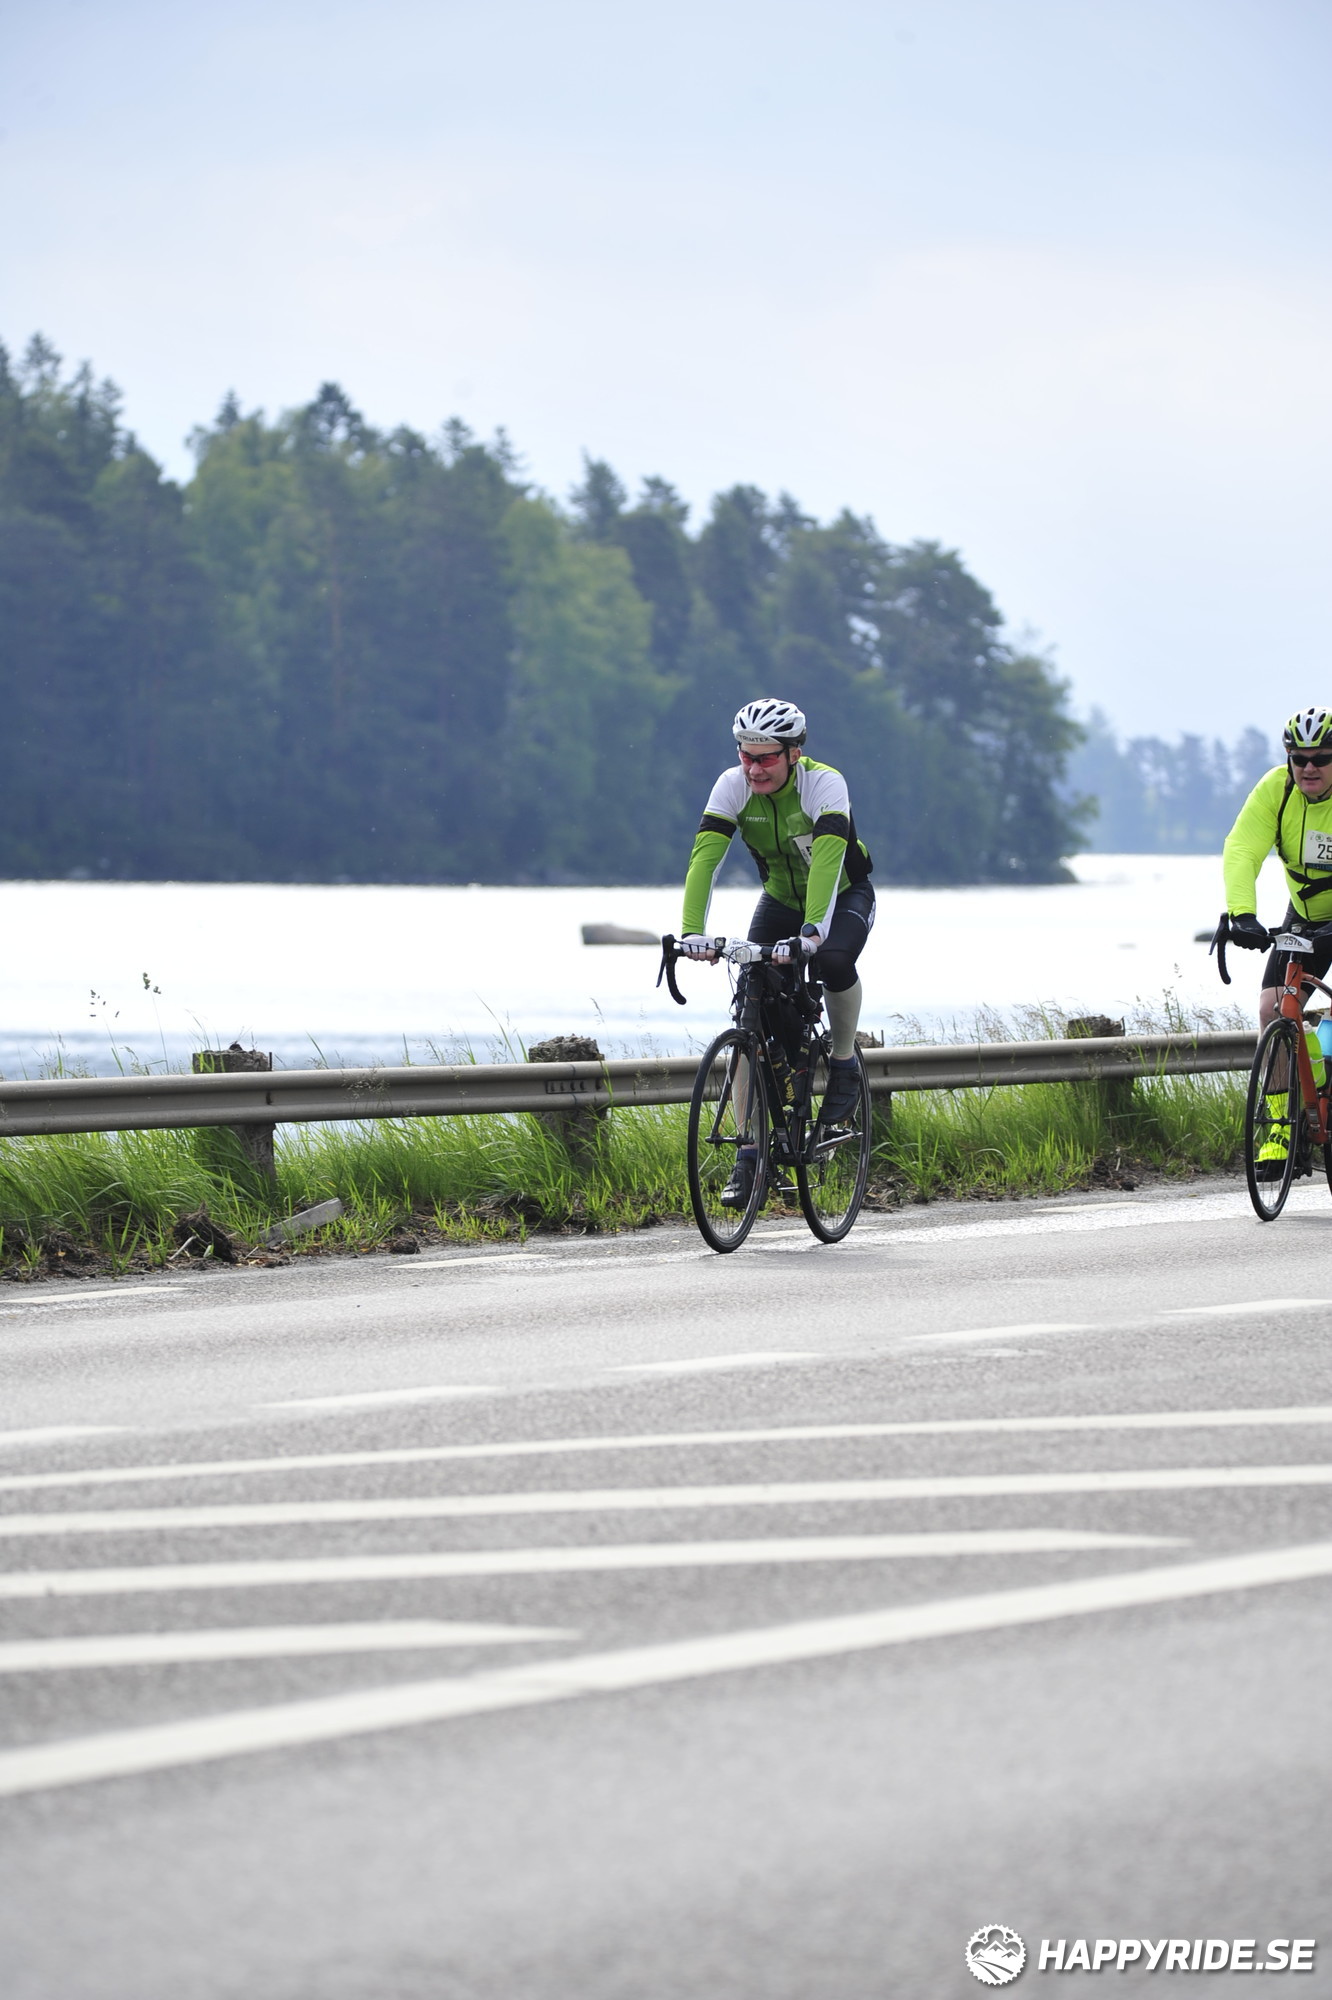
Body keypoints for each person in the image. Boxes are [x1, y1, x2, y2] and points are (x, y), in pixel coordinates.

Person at [679, 698, 875, 1203]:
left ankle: (844, 1060)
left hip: (843, 895)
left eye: (766, 758)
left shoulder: (824, 785)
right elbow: (705, 860)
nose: (754, 768)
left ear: (793, 754)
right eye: (746, 756)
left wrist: (812, 934)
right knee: (752, 1005)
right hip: (780, 901)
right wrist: (692, 932)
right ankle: (749, 1156)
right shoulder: (732, 786)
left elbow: (827, 865)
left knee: (832, 961)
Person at [1223, 703, 1332, 1175]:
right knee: (1274, 1010)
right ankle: (1280, 1135)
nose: (1309, 767)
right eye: (1299, 758)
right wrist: (1242, 914)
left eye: (1321, 758)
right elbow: (1242, 849)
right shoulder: (1277, 788)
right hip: (1305, 915)